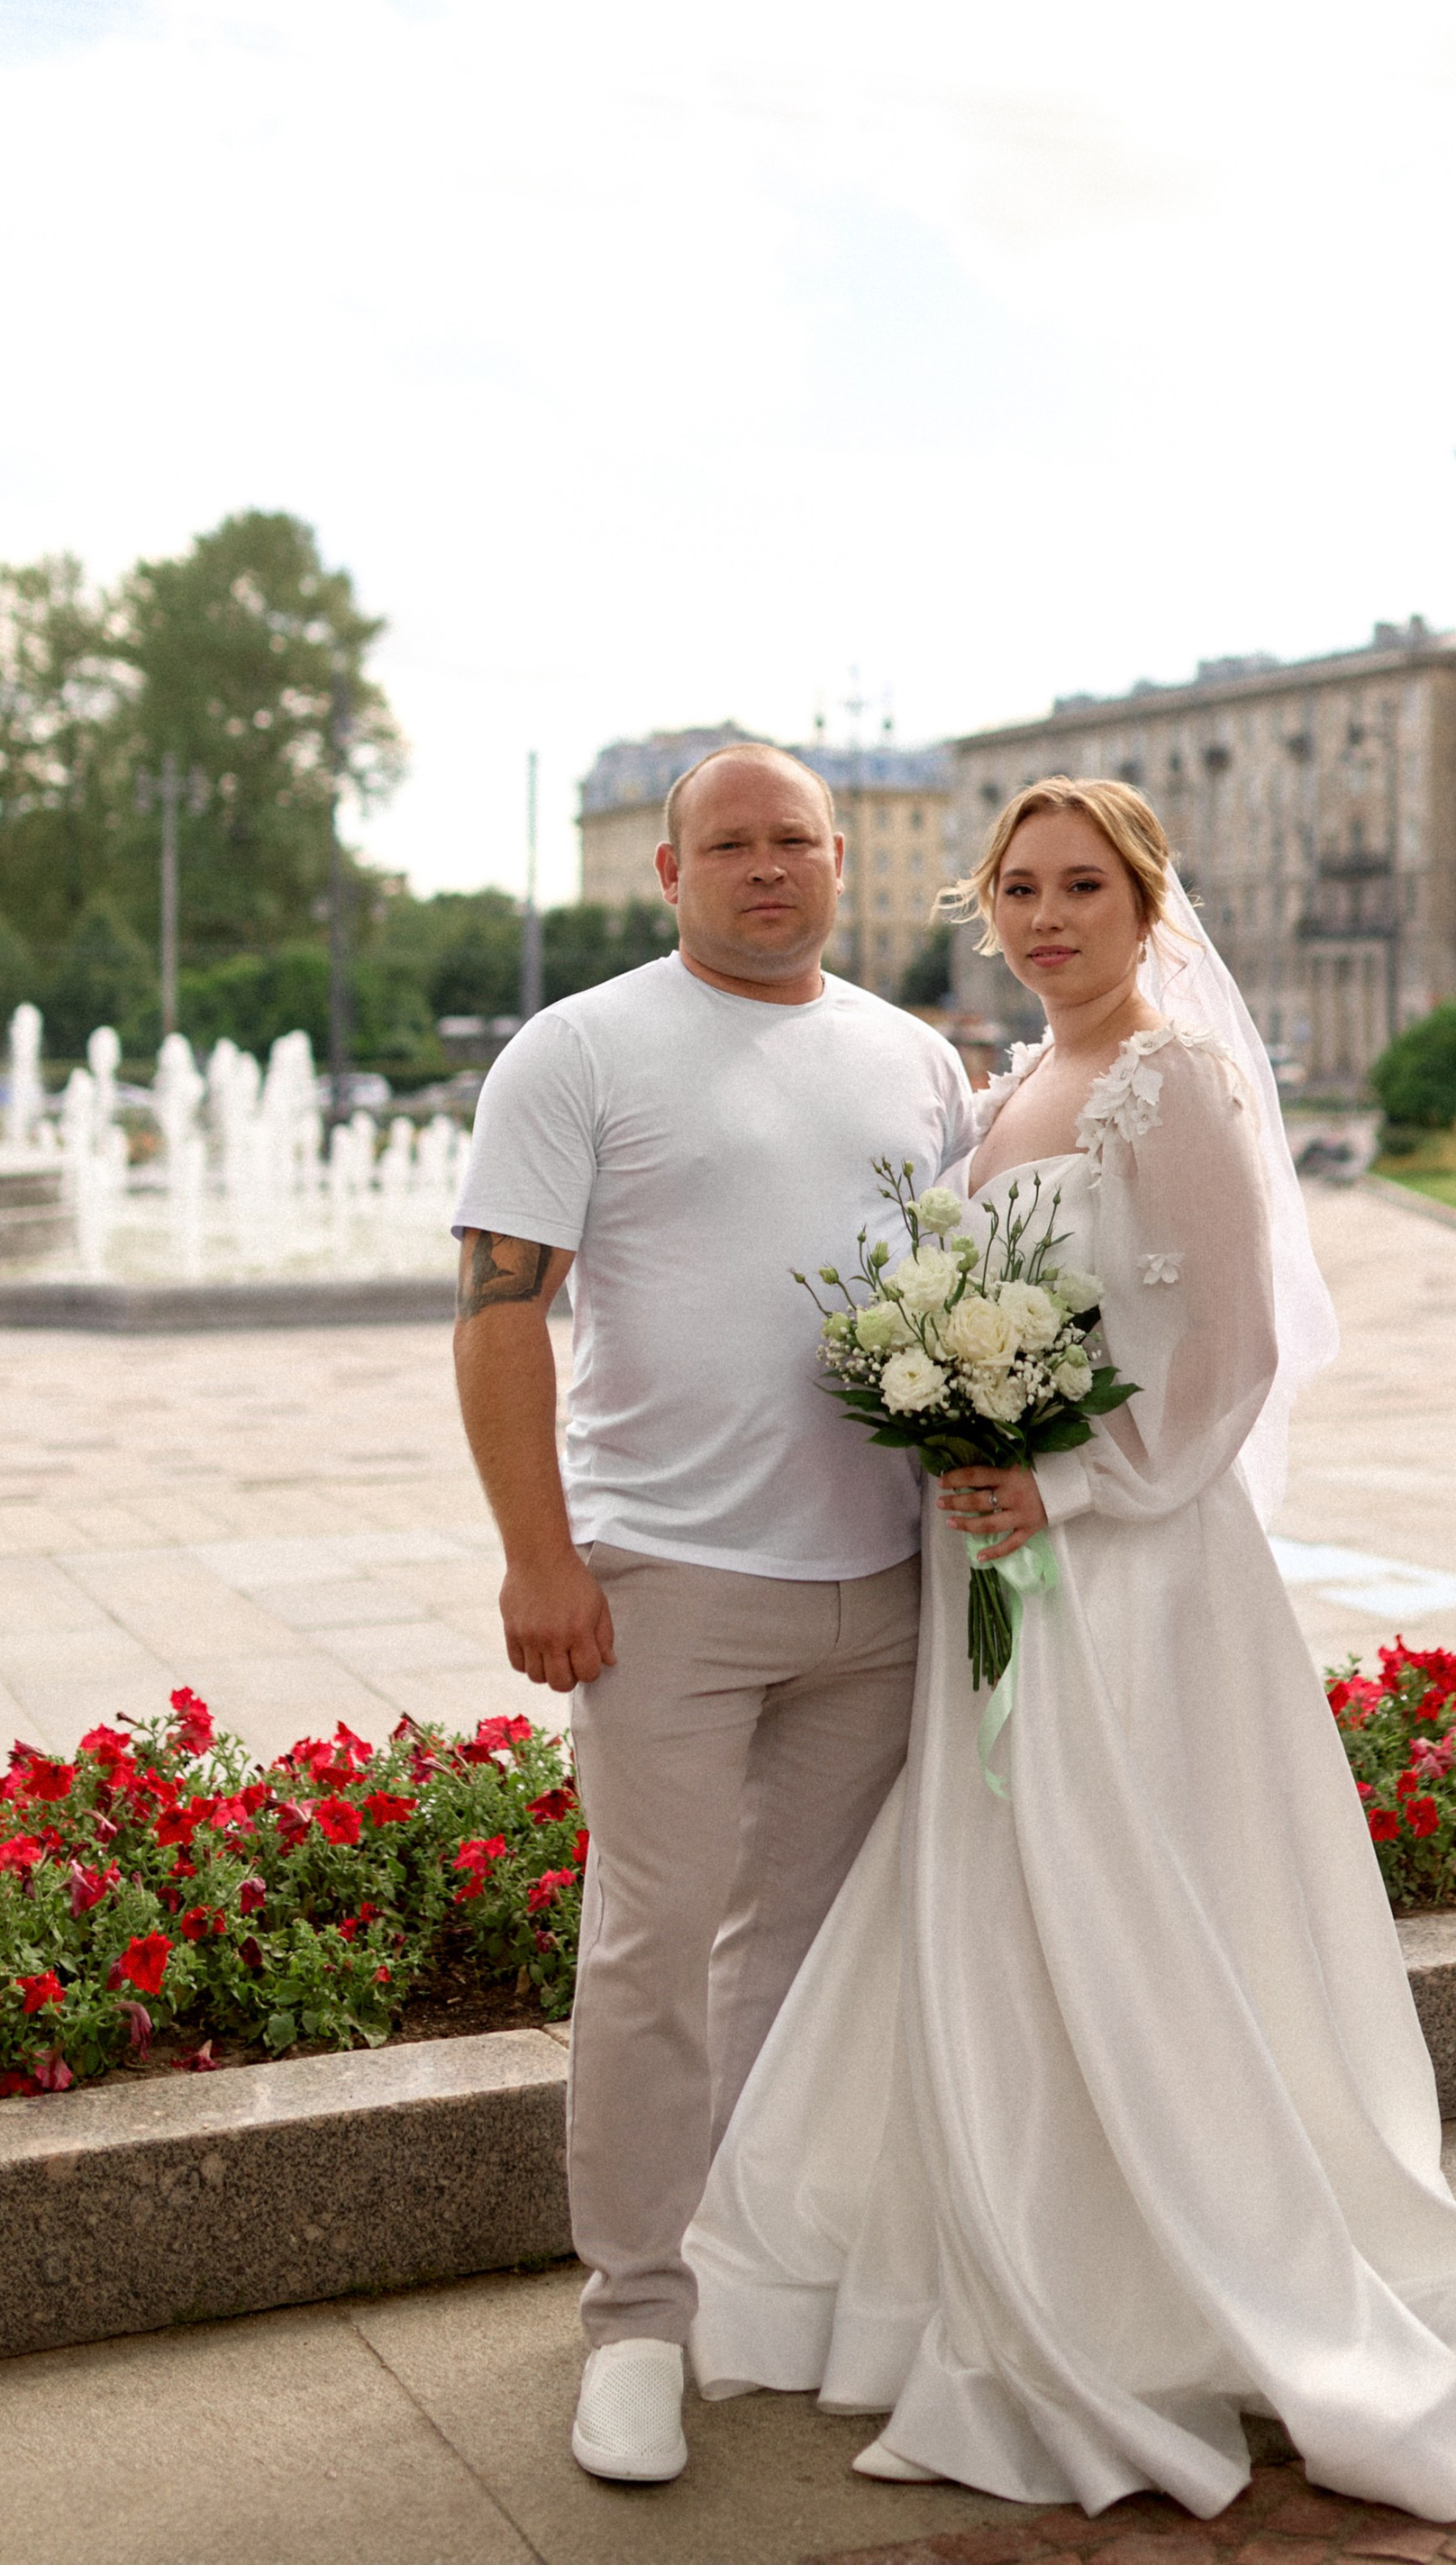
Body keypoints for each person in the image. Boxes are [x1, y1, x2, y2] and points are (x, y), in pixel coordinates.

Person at [686, 776, 1456, 2523]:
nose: (1043, 917)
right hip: (997, 1566)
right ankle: (1003, 2231)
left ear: (1147, 903)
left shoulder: (1173, 1077)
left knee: (1124, 1898)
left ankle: (1151, 2266)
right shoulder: (1014, 1087)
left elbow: (1225, 1355)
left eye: (1079, 885)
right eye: (1013, 888)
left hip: (1132, 1574)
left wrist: (1057, 1481)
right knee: (1005, 1900)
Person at [451, 741, 975, 2489]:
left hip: (883, 1591)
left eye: (797, 842)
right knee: (648, 1958)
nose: (769, 869)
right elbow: (497, 1316)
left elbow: (968, 1294)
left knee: (809, 1959)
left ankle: (750, 2281)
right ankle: (633, 2321)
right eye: (730, 846)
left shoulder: (914, 1057)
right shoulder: (580, 1047)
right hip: (663, 1588)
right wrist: (541, 1554)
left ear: (841, 862)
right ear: (665, 873)